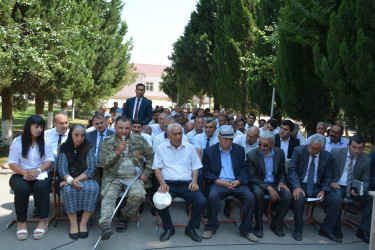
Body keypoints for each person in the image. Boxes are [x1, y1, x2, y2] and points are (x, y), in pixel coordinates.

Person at [99, 116, 154, 240]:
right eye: (121, 128)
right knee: (108, 196)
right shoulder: (107, 141)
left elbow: (151, 155)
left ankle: (124, 215)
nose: (124, 131)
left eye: (127, 128)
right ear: (114, 127)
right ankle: (105, 225)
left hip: (133, 177)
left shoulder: (139, 140)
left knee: (139, 195)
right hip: (113, 177)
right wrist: (117, 152)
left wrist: (147, 172)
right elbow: (103, 163)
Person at [201, 125, 258, 243]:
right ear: (219, 138)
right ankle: (211, 227)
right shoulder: (209, 151)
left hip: (236, 182)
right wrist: (218, 181)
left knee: (250, 197)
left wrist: (239, 181)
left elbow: (244, 168)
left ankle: (246, 229)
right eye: (226, 139)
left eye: (231, 139)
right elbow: (206, 171)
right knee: (212, 196)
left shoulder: (239, 150)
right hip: (219, 182)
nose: (228, 141)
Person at [152, 123, 207, 242]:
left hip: (187, 184)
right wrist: (162, 183)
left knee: (201, 201)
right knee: (159, 201)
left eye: (180, 133)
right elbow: (156, 168)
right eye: (175, 134)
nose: (178, 137)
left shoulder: (190, 147)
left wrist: (194, 181)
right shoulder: (161, 148)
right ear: (168, 135)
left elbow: (195, 167)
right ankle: (168, 228)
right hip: (168, 184)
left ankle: (191, 228)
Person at [8, 115, 54, 240]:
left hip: (41, 173)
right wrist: (25, 173)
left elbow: (49, 161)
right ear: (29, 127)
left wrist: (37, 170)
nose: (39, 129)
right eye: (36, 126)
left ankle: (43, 221)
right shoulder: (18, 142)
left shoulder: (45, 140)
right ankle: (22, 222)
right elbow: (12, 163)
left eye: (41, 127)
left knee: (41, 187)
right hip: (20, 174)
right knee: (22, 188)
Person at [288, 134, 341, 242]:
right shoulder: (299, 150)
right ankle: (298, 229)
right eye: (310, 146)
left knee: (336, 199)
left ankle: (326, 229)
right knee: (299, 198)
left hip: (317, 186)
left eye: (314, 148)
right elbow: (292, 170)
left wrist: (323, 190)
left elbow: (327, 176)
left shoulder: (327, 156)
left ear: (322, 149)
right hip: (300, 184)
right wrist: (296, 187)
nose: (310, 149)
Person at [57, 124, 100, 240]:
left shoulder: (88, 146)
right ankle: (73, 224)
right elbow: (62, 169)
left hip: (88, 177)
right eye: (76, 135)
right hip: (68, 178)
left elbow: (91, 169)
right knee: (68, 190)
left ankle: (83, 223)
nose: (80, 138)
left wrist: (74, 180)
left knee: (93, 189)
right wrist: (70, 181)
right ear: (71, 134)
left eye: (82, 135)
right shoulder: (65, 147)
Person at [247, 131, 292, 238]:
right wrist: (268, 187)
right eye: (260, 144)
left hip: (275, 183)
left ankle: (276, 225)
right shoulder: (251, 155)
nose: (261, 147)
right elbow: (252, 177)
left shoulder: (279, 153)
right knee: (257, 194)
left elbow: (282, 172)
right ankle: (258, 226)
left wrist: (282, 182)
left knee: (287, 196)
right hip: (259, 183)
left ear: (272, 144)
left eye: (265, 145)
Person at [330, 135, 373, 243]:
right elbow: (326, 170)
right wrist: (331, 182)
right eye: (354, 147)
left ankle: (363, 229)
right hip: (337, 184)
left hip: (354, 187)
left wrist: (359, 189)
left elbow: (366, 180)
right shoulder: (336, 153)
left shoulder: (366, 160)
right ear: (348, 145)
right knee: (337, 198)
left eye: (360, 148)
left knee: (371, 199)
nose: (357, 150)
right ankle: (336, 226)